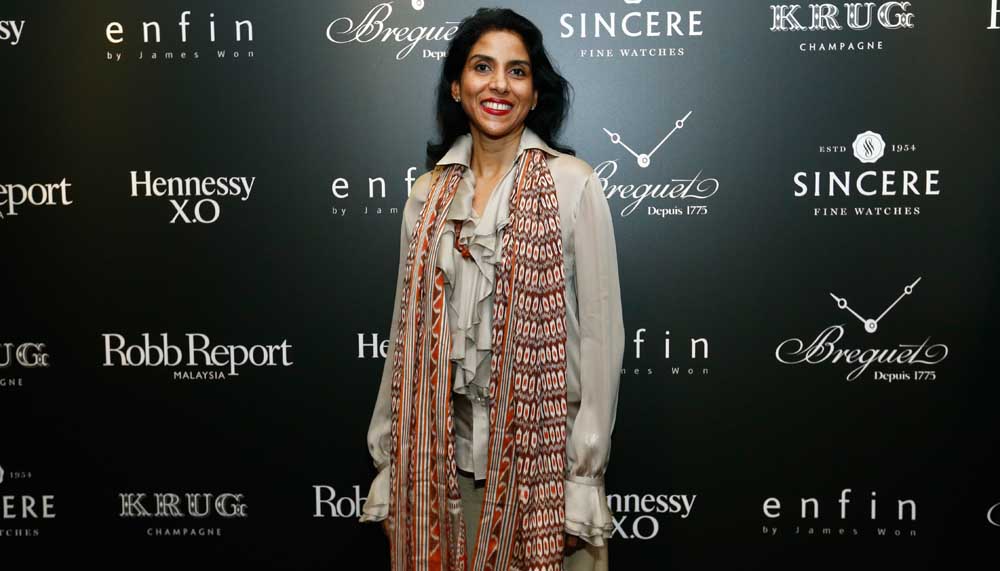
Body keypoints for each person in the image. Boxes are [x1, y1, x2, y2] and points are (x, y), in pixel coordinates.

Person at [359, 7, 624, 571]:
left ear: (534, 93)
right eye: (483, 67)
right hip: (440, 478)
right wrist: (390, 465)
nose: (499, 84)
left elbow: (601, 342)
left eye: (517, 71)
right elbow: (403, 340)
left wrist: (582, 481)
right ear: (457, 86)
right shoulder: (426, 195)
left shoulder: (573, 186)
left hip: (547, 483)